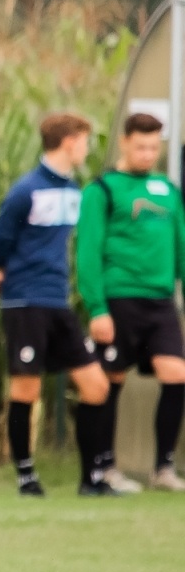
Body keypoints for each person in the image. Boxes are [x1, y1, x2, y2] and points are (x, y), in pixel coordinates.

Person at [0, 112, 113, 497]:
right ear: (68, 142)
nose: (86, 148)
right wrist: (3, 272)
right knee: (26, 389)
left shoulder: (74, 190)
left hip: (57, 300)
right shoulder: (27, 190)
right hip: (25, 300)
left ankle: (92, 480)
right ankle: (26, 477)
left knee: (95, 385)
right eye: (84, 141)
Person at [76, 112, 185, 492]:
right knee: (110, 382)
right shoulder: (102, 190)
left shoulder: (167, 190)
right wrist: (97, 308)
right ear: (124, 142)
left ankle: (163, 468)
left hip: (160, 302)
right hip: (119, 299)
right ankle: (105, 467)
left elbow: (180, 245)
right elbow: (87, 253)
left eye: (154, 147)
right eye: (140, 145)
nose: (147, 153)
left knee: (177, 375)